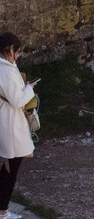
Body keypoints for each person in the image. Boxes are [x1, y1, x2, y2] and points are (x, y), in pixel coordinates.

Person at [0, 32, 35, 219]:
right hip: (9, 122)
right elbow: (17, 100)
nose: (18, 55)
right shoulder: (5, 70)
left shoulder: (6, 66)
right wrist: (29, 88)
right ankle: (2, 211)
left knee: (8, 166)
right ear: (11, 49)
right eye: (18, 51)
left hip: (7, 119)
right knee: (9, 169)